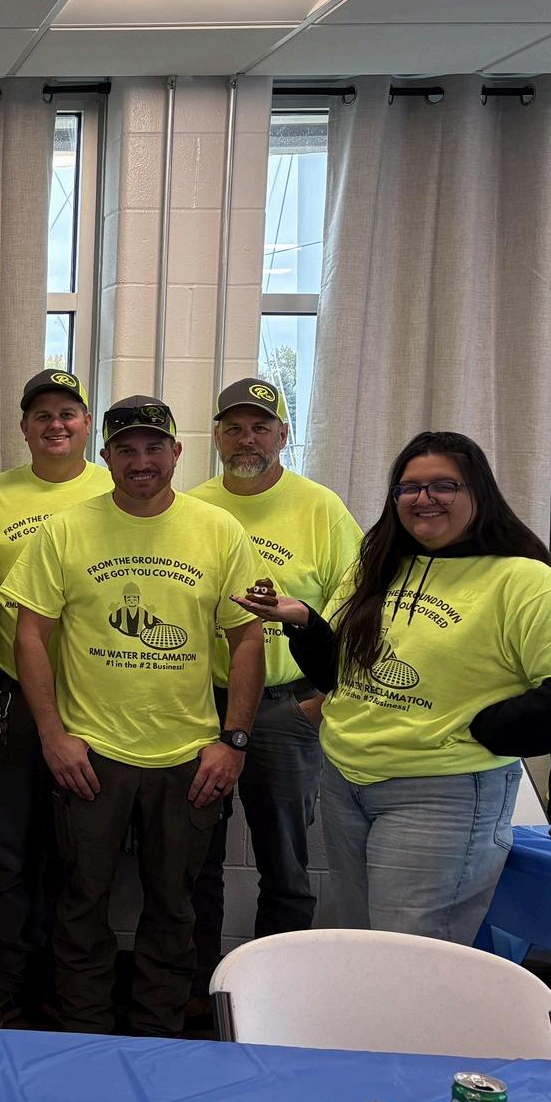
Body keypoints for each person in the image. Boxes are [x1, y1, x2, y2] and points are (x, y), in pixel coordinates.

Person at [243, 430, 551, 944]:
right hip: (346, 782)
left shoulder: (522, 581)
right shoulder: (376, 567)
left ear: (477, 493)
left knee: (409, 952)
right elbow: (338, 674)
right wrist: (308, 624)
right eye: (410, 487)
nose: (424, 498)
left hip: (440, 793)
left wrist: (486, 731)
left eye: (444, 485)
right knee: (356, 938)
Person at [2, 396, 264, 1037]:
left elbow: (248, 638)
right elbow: (30, 635)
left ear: (177, 452)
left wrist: (233, 741)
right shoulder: (65, 530)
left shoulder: (218, 530)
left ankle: (157, 1037)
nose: (140, 461)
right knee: (80, 901)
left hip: (188, 757)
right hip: (91, 753)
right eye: (126, 449)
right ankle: (85, 1033)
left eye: (153, 448)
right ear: (106, 455)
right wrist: (53, 736)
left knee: (175, 907)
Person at [0, 369, 112, 1031]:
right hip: (6, 697)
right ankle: (0, 985)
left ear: (87, 425)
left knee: (79, 856)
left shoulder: (116, 491)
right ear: (23, 427)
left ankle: (63, 988)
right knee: (7, 850)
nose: (55, 424)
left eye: (68, 413)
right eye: (41, 414)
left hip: (97, 699)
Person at [185, 378, 361, 985]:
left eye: (261, 427)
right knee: (195, 859)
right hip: (201, 706)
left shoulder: (321, 509)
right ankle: (199, 989)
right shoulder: (193, 507)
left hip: (286, 710)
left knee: (285, 864)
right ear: (215, 437)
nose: (247, 439)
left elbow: (359, 608)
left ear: (283, 435)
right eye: (234, 428)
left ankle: (277, 993)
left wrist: (320, 702)